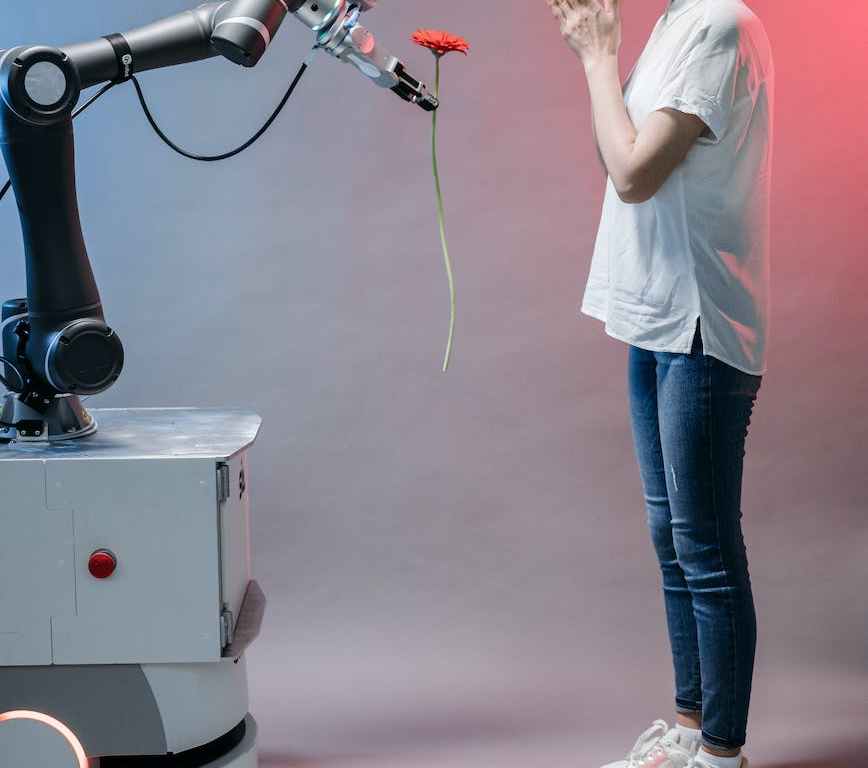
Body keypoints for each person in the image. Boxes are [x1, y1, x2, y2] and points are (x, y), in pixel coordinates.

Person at [544, 1, 774, 767]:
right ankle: (687, 730)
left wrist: (596, 58)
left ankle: (721, 752)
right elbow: (619, 150)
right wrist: (603, 58)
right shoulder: (677, 22)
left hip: (702, 321)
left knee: (704, 544)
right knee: (670, 535)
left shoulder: (721, 24)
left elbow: (635, 174)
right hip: (656, 316)